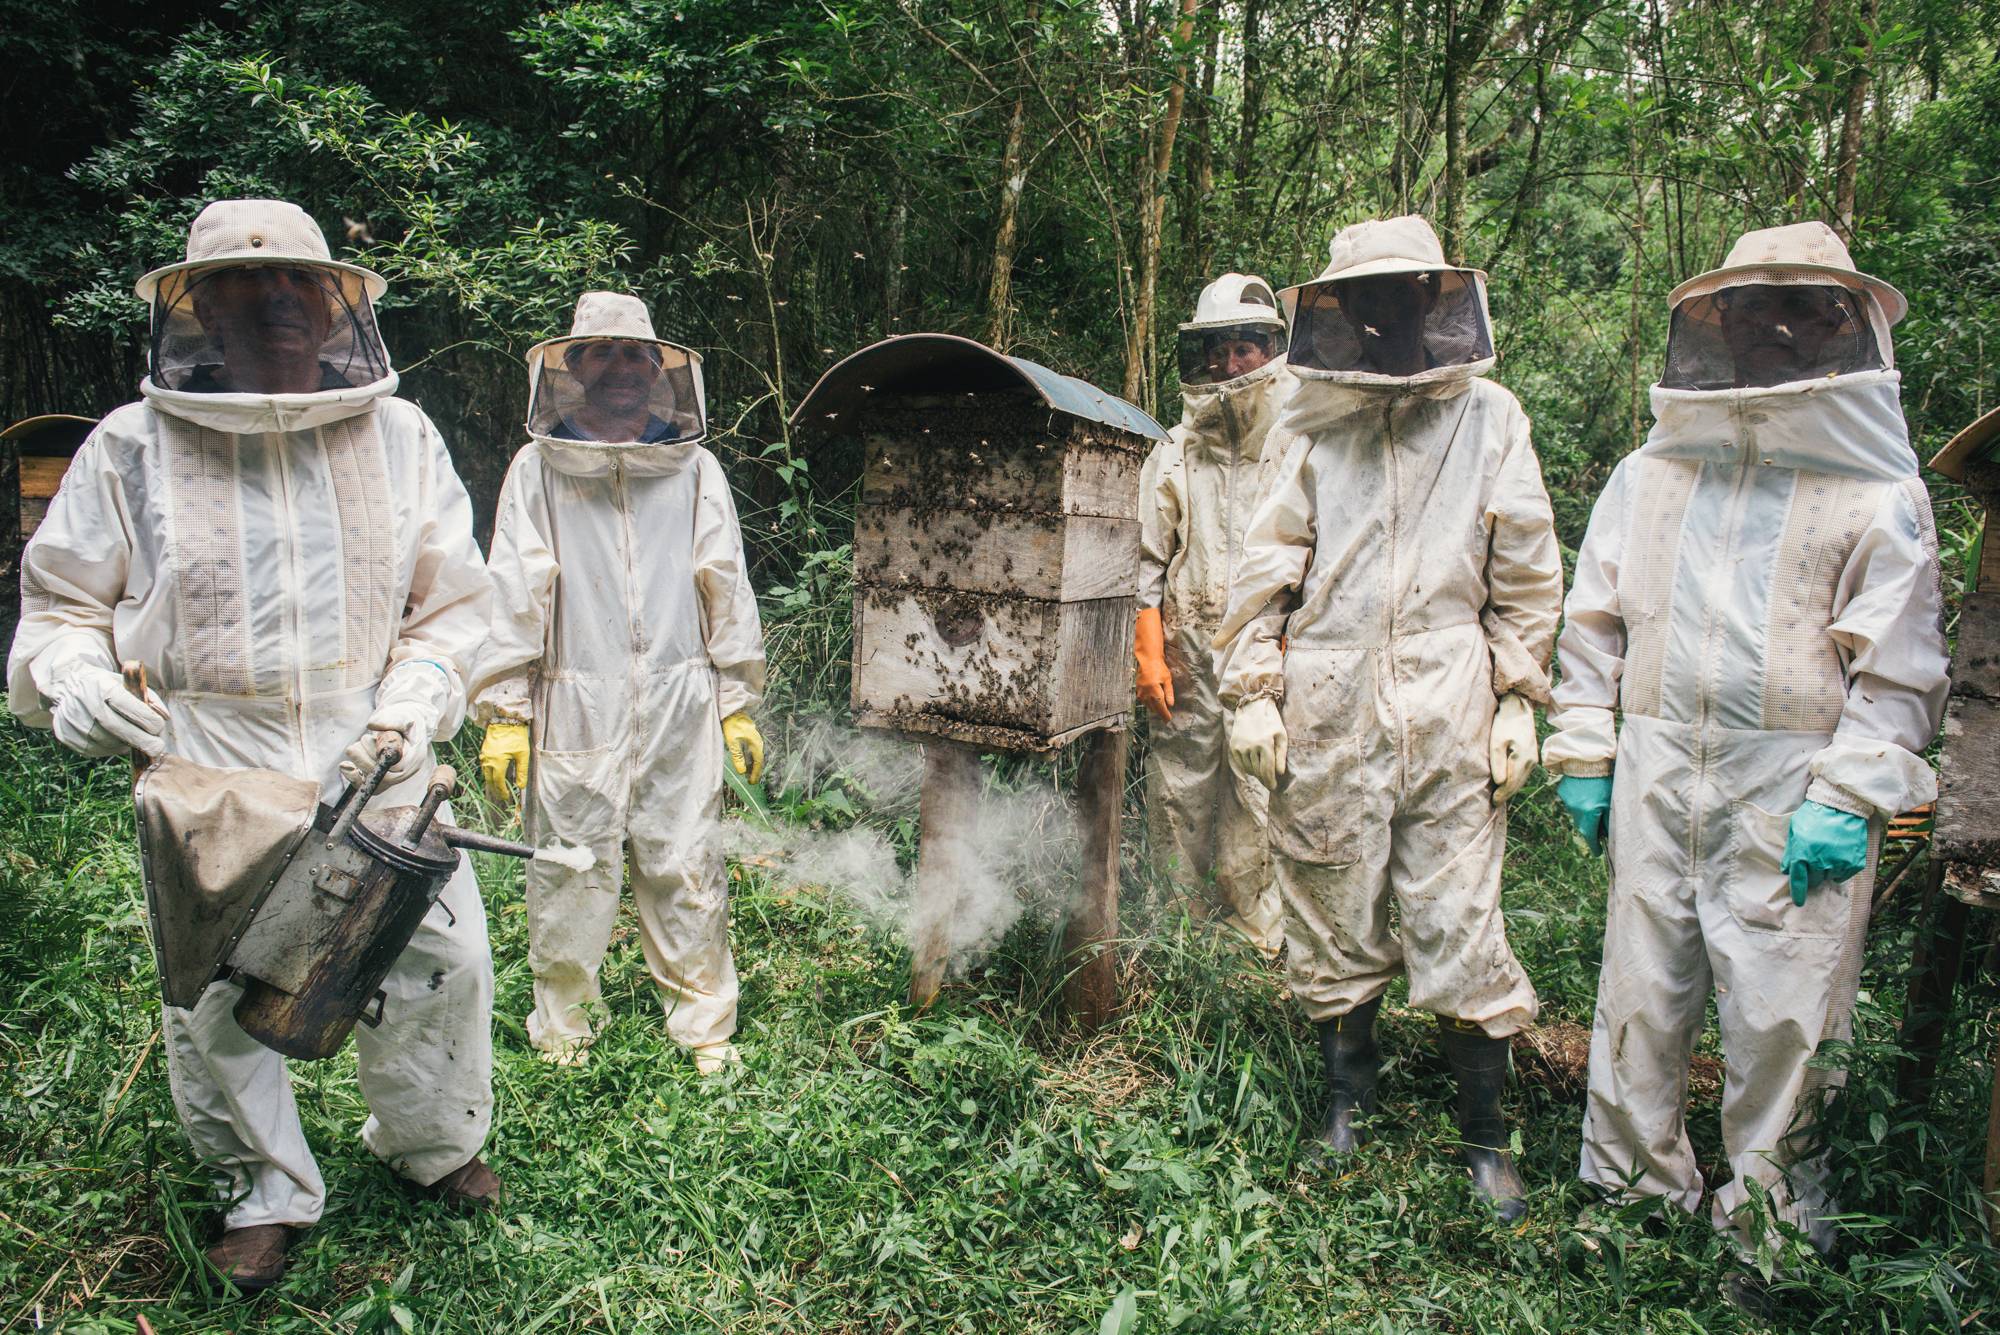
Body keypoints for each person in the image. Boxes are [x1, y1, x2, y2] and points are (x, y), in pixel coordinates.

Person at [7, 199, 498, 1290]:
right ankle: (263, 1189)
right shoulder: (131, 445)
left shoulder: (401, 433)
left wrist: (420, 687)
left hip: (372, 733)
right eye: (244, 284)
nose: (277, 300)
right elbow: (59, 608)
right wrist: (73, 676)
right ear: (201, 307)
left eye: (298, 285)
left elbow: (456, 604)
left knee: (439, 956)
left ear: (334, 306)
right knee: (217, 987)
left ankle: (433, 1145)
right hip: (209, 747)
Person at [1543, 222, 1949, 1275]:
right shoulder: (1648, 476)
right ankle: (1632, 1195)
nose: (1771, 337)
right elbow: (1591, 626)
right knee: (1638, 990)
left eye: (1796, 315)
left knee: (1783, 1014)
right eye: (1749, 315)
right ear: (1712, 330)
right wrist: (1584, 750)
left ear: (1835, 330)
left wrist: (1848, 794)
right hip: (1656, 763)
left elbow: (1898, 672)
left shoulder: (1875, 493)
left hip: (1790, 781)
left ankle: (1766, 1234)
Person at [1214, 216, 1562, 1220]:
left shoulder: (1490, 417)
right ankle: (1344, 1107)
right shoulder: (1306, 423)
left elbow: (1524, 576)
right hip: (1325, 699)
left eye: (1397, 290)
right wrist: (1252, 690)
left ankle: (1485, 1141)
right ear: (1340, 307)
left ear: (1431, 296)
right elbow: (1264, 574)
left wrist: (1516, 698)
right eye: (1359, 294)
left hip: (1451, 694)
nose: (1378, 308)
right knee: (1329, 901)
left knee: (1460, 912)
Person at [472, 291, 766, 1073]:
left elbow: (724, 584)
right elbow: (513, 591)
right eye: (603, 353)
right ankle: (565, 1022)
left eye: (637, 354)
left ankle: (705, 1023)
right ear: (571, 368)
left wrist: (735, 701)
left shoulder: (694, 468)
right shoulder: (537, 471)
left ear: (661, 369)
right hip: (573, 699)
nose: (624, 368)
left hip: (682, 698)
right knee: (571, 863)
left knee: (688, 858)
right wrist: (507, 709)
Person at [1134, 273, 1291, 952]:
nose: (1230, 363)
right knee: (1179, 800)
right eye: (1219, 348)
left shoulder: (1300, 443)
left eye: (1246, 347)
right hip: (1186, 655)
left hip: (1275, 657)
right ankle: (1179, 948)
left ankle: (1256, 952)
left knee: (1260, 803)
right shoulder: (1175, 449)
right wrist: (1146, 645)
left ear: (1272, 349)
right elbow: (1145, 557)